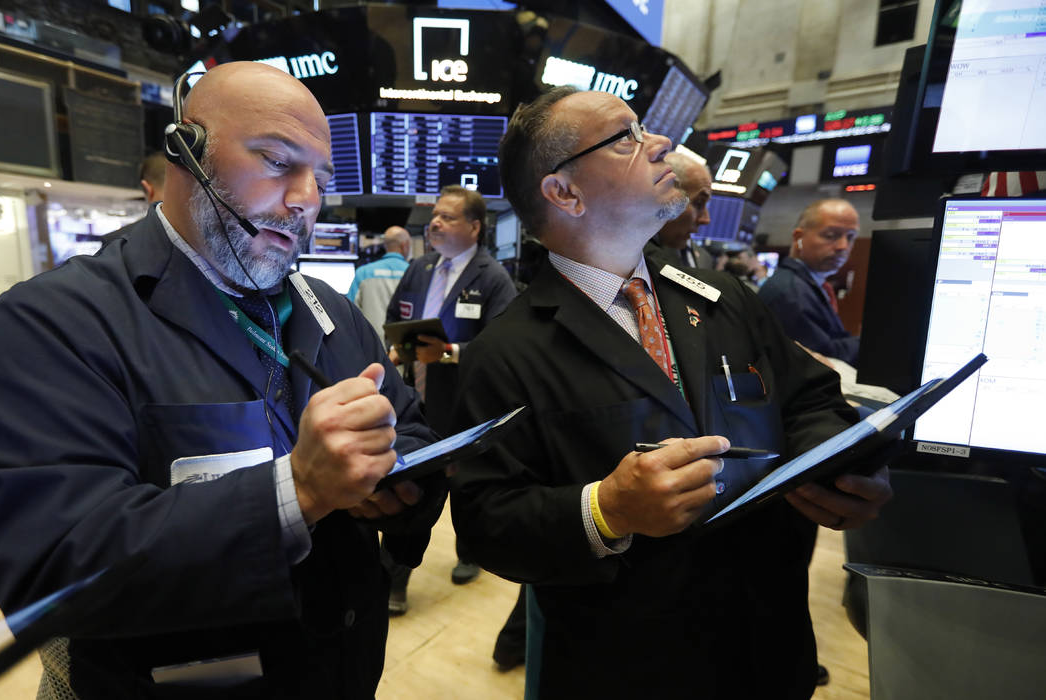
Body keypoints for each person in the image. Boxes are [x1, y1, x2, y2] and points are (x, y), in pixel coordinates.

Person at [0, 62, 446, 699]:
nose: (306, 199)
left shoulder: (333, 311)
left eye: (320, 178)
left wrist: (404, 483)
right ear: (186, 151)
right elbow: (52, 572)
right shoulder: (55, 320)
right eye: (276, 160)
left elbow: (411, 428)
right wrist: (296, 492)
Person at [448, 86, 892, 699]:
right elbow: (485, 523)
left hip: (769, 647)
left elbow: (809, 398)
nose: (661, 145)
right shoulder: (505, 353)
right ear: (564, 192)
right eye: (626, 137)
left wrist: (833, 467)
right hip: (632, 667)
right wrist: (607, 508)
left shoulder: (723, 298)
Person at [383, 185, 516, 604]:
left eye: (448, 217)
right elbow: (396, 316)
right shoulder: (420, 268)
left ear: (475, 227)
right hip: (412, 398)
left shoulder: (493, 277)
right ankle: (394, 581)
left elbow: (503, 345)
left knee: (462, 485)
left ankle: (469, 553)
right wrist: (398, 347)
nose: (434, 223)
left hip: (461, 402)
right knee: (413, 486)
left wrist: (452, 353)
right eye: (434, 216)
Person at [759, 198, 861, 366]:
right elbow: (823, 356)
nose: (843, 246)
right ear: (799, 238)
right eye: (831, 235)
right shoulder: (789, 292)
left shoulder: (806, 284)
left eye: (850, 237)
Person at [643, 150, 713, 269]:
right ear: (663, 194)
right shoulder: (629, 256)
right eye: (699, 203)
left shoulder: (704, 258)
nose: (706, 219)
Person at [346, 225, 412, 331]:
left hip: (370, 343)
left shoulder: (363, 273)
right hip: (402, 343)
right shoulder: (414, 273)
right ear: (405, 246)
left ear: (385, 246)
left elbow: (349, 312)